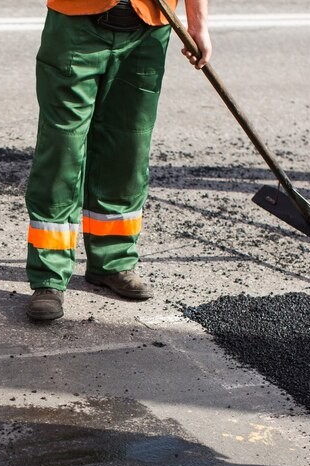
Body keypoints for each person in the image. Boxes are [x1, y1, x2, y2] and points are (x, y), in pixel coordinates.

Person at [23, 0, 211, 321]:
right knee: (62, 151)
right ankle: (49, 276)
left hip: (149, 29)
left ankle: (113, 261)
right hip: (76, 26)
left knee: (129, 148)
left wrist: (197, 24)